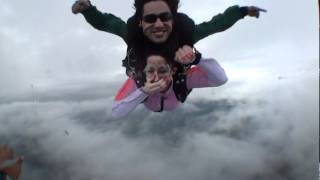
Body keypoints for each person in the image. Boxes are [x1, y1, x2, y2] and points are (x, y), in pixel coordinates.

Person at [71, 0, 266, 73]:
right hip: (143, 77)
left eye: (165, 17)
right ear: (140, 22)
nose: (158, 24)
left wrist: (243, 11)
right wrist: (88, 9)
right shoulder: (132, 33)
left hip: (175, 79)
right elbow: (106, 23)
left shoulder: (186, 34)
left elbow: (217, 24)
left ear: (173, 20)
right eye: (150, 18)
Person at [112, 45, 227, 118]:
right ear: (143, 72)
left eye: (162, 70)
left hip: (173, 100)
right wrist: (143, 91)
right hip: (162, 103)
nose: (156, 78)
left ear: (173, 70)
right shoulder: (138, 81)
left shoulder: (183, 79)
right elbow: (117, 112)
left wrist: (197, 58)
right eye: (150, 71)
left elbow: (221, 79)